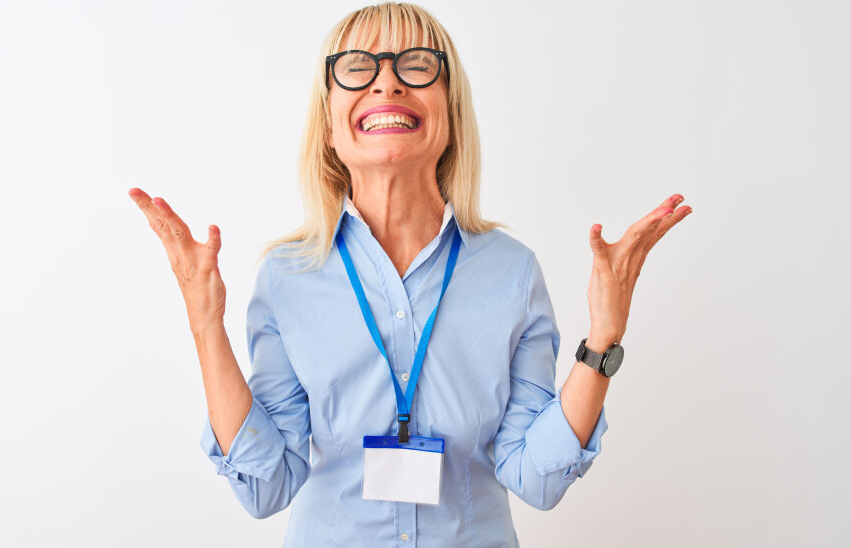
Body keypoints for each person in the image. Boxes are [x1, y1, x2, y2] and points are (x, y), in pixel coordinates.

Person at [127, 2, 691, 546]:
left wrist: (603, 338)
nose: (387, 83)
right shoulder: (286, 277)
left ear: (450, 116)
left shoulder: (512, 271)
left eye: (417, 65)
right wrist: (206, 324)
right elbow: (266, 484)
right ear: (329, 125)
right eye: (356, 68)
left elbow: (535, 479)